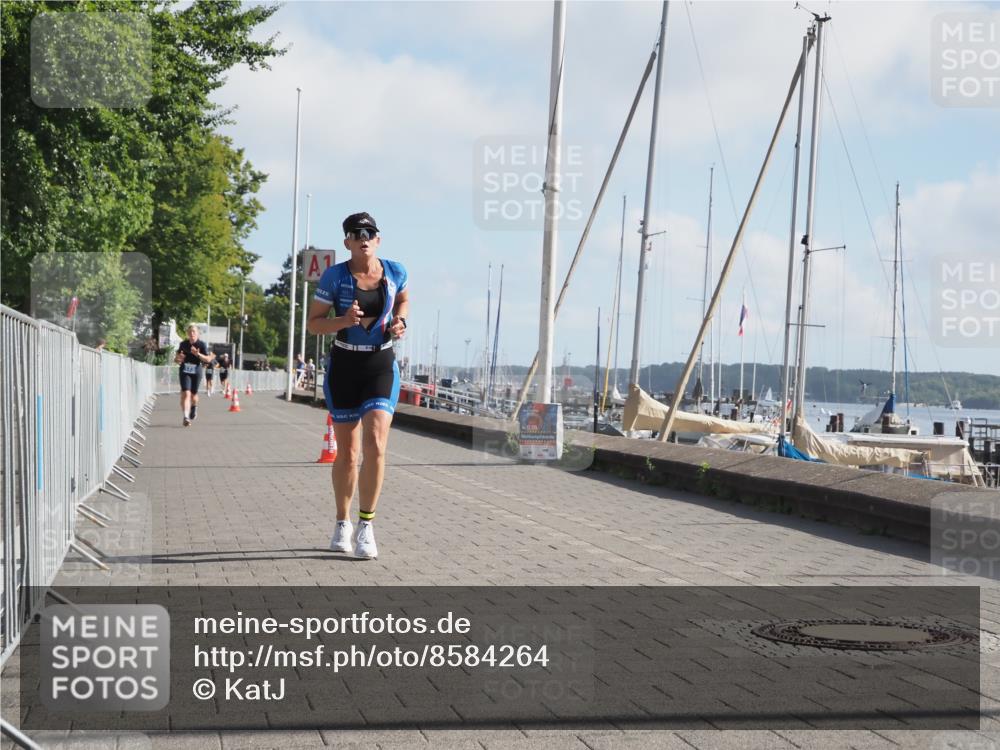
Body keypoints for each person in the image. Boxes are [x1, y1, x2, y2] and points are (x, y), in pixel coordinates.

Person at [307, 212, 408, 560]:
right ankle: (341, 522)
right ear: (347, 242)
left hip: (380, 364)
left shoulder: (395, 272)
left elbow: (404, 299)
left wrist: (400, 321)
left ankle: (366, 524)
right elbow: (314, 325)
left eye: (370, 232)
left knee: (377, 442)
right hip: (345, 364)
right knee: (348, 455)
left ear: (378, 239)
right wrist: (343, 320)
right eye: (356, 233)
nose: (363, 237)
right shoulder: (335, 277)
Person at [174, 325, 212, 426]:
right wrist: (179, 358)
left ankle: (194, 406)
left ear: (198, 334)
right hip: (185, 370)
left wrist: (198, 355)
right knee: (186, 393)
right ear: (188, 333)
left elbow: (208, 359)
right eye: (190, 332)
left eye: (194, 332)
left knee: (194, 396)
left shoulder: (201, 345)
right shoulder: (183, 344)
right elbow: (176, 359)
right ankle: (186, 417)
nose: (192, 334)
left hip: (196, 370)